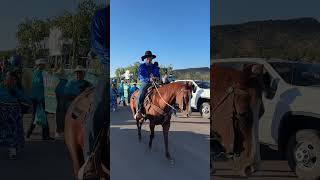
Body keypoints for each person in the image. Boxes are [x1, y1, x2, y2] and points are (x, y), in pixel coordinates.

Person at [78, 5, 110, 179]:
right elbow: (97, 44)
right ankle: (89, 158)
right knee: (98, 108)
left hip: (129, 72)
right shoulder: (102, 15)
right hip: (110, 67)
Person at [0, 71, 31, 159]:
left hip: (13, 113)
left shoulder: (17, 88)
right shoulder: (2, 86)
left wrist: (16, 92)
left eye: (9, 77)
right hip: (2, 111)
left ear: (14, 79)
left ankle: (12, 149)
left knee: (13, 131)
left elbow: (26, 99)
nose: (7, 79)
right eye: (6, 77)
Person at [26, 58, 54, 140]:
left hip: (35, 98)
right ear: (40, 65)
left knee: (38, 117)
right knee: (39, 117)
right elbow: (38, 86)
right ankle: (44, 135)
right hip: (39, 99)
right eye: (43, 64)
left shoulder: (34, 73)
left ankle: (32, 133)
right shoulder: (40, 74)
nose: (44, 66)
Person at [134, 50, 160, 120]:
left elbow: (158, 75)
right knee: (141, 93)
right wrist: (149, 79)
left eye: (150, 57)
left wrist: (156, 78)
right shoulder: (142, 66)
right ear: (145, 58)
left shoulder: (155, 67)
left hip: (155, 82)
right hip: (145, 82)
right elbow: (140, 76)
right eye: (147, 57)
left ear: (152, 58)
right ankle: (138, 111)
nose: (149, 59)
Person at [54, 68, 68, 138]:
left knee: (59, 115)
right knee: (62, 115)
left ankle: (60, 131)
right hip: (62, 99)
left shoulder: (59, 82)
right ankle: (61, 130)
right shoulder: (65, 82)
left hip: (60, 99)